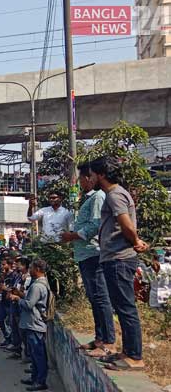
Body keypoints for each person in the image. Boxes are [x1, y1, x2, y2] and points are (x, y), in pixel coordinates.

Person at [90, 157, 147, 371]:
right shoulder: (115, 194)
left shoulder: (114, 195)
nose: (91, 178)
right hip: (115, 257)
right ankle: (127, 352)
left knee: (125, 308)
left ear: (101, 175)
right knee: (122, 307)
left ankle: (135, 357)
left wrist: (135, 241)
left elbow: (126, 224)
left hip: (119, 259)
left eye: (93, 174)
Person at [60, 162, 115, 358]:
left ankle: (108, 342)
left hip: (93, 253)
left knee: (100, 298)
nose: (83, 182)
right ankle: (100, 338)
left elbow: (94, 226)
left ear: (88, 178)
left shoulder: (98, 197)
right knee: (94, 298)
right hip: (85, 254)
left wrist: (72, 236)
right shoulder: (90, 198)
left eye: (84, 178)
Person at [9, 259, 50, 392]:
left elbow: (28, 304)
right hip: (32, 323)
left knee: (38, 355)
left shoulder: (37, 286)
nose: (30, 270)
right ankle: (34, 378)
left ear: (37, 269)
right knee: (34, 354)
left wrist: (17, 299)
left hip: (35, 324)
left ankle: (40, 381)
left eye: (31, 268)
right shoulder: (40, 283)